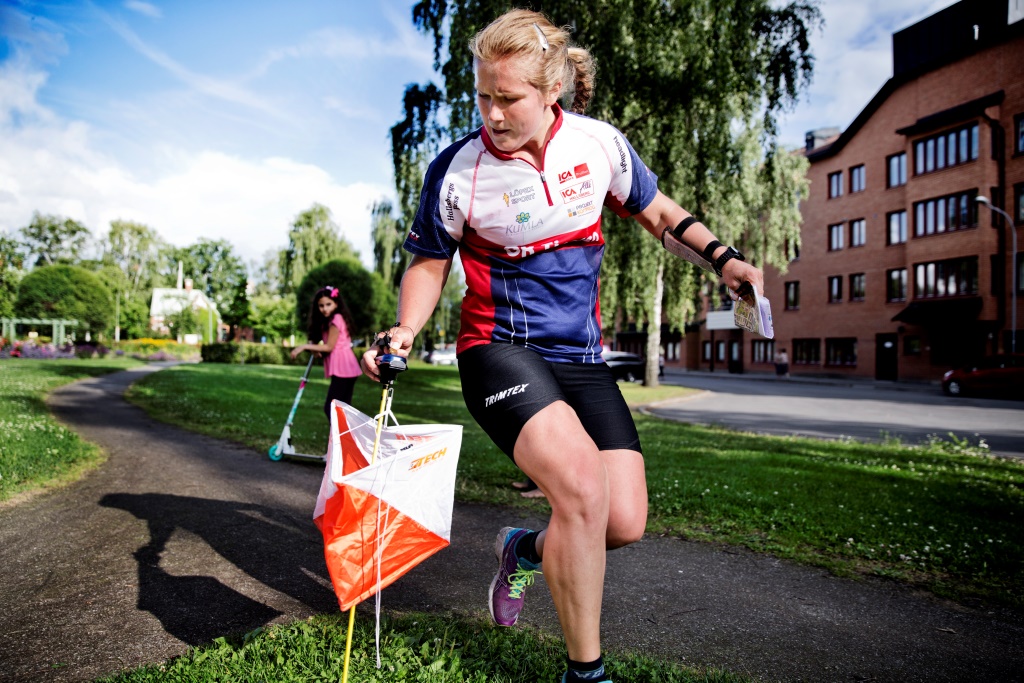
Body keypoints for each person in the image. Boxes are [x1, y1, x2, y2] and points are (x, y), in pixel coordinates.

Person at [362, 10, 763, 683]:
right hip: (499, 350)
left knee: (624, 516)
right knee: (581, 486)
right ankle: (587, 672)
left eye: (508, 97)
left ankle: (525, 548)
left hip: (579, 357)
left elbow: (659, 212)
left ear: (552, 92)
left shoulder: (598, 147)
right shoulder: (459, 170)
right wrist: (404, 328)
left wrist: (723, 259)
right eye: (482, 96)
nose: (491, 112)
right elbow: (429, 262)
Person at [291, 285, 362, 420]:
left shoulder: (336, 319)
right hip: (346, 367)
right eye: (321, 305)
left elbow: (329, 346)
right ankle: (340, 439)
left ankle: (340, 439)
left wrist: (304, 347)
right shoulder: (328, 320)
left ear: (336, 303)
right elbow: (323, 343)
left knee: (332, 409)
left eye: (328, 304)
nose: (325, 309)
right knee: (340, 411)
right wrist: (314, 348)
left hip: (344, 366)